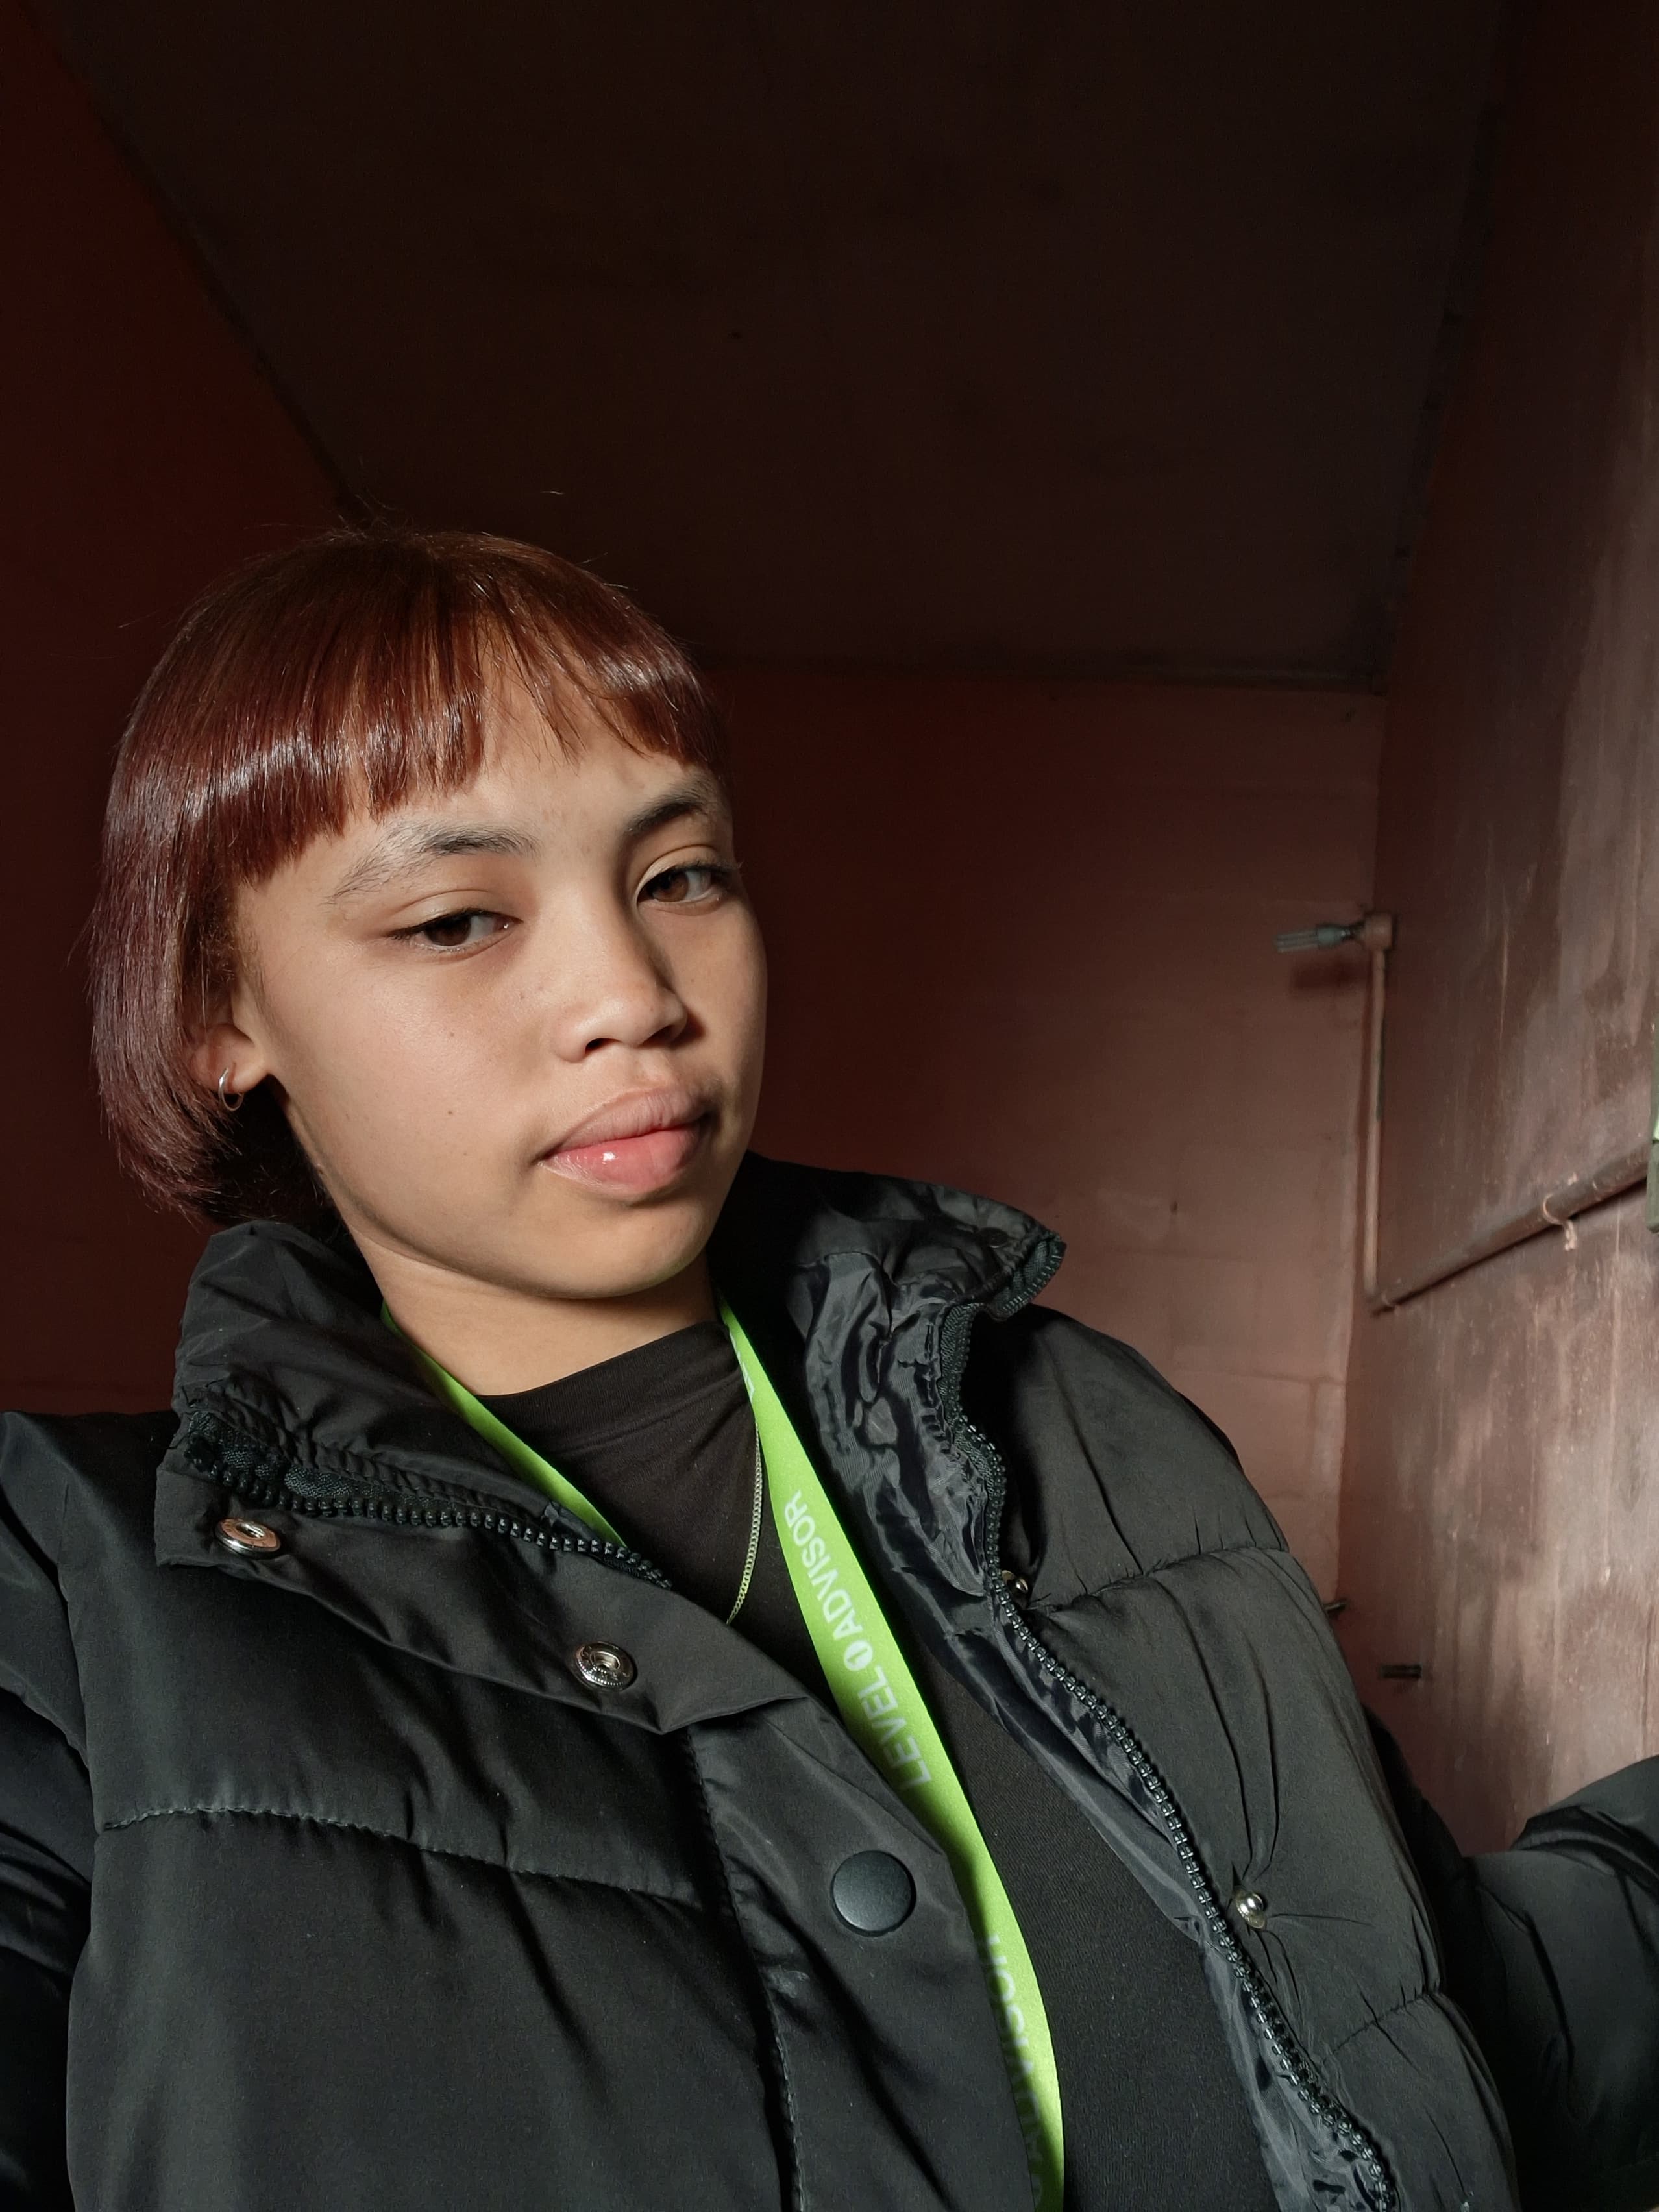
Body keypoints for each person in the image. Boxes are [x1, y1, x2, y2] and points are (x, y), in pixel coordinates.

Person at [0, 528, 1653, 2212]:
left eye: (679, 877)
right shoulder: (60, 1601)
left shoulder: (1083, 1430)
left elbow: (1433, 2017)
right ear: (219, 1013)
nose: (632, 995)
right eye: (456, 919)